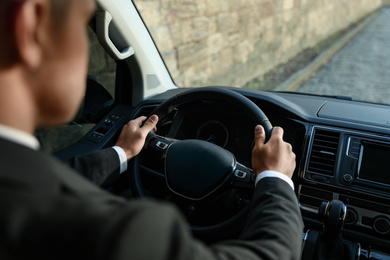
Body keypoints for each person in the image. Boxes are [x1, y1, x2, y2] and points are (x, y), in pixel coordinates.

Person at [0, 0, 303, 259]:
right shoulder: (116, 236)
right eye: (83, 26)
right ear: (30, 27)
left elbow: (59, 179)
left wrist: (122, 152)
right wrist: (274, 178)